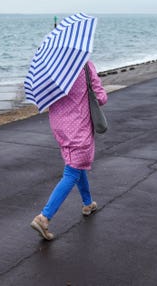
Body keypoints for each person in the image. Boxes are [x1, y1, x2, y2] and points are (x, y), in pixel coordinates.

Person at [30, 61, 108, 241]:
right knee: (72, 171)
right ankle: (44, 217)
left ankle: (88, 203)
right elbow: (100, 97)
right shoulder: (84, 65)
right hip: (78, 126)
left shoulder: (51, 66)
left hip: (59, 126)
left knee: (76, 163)